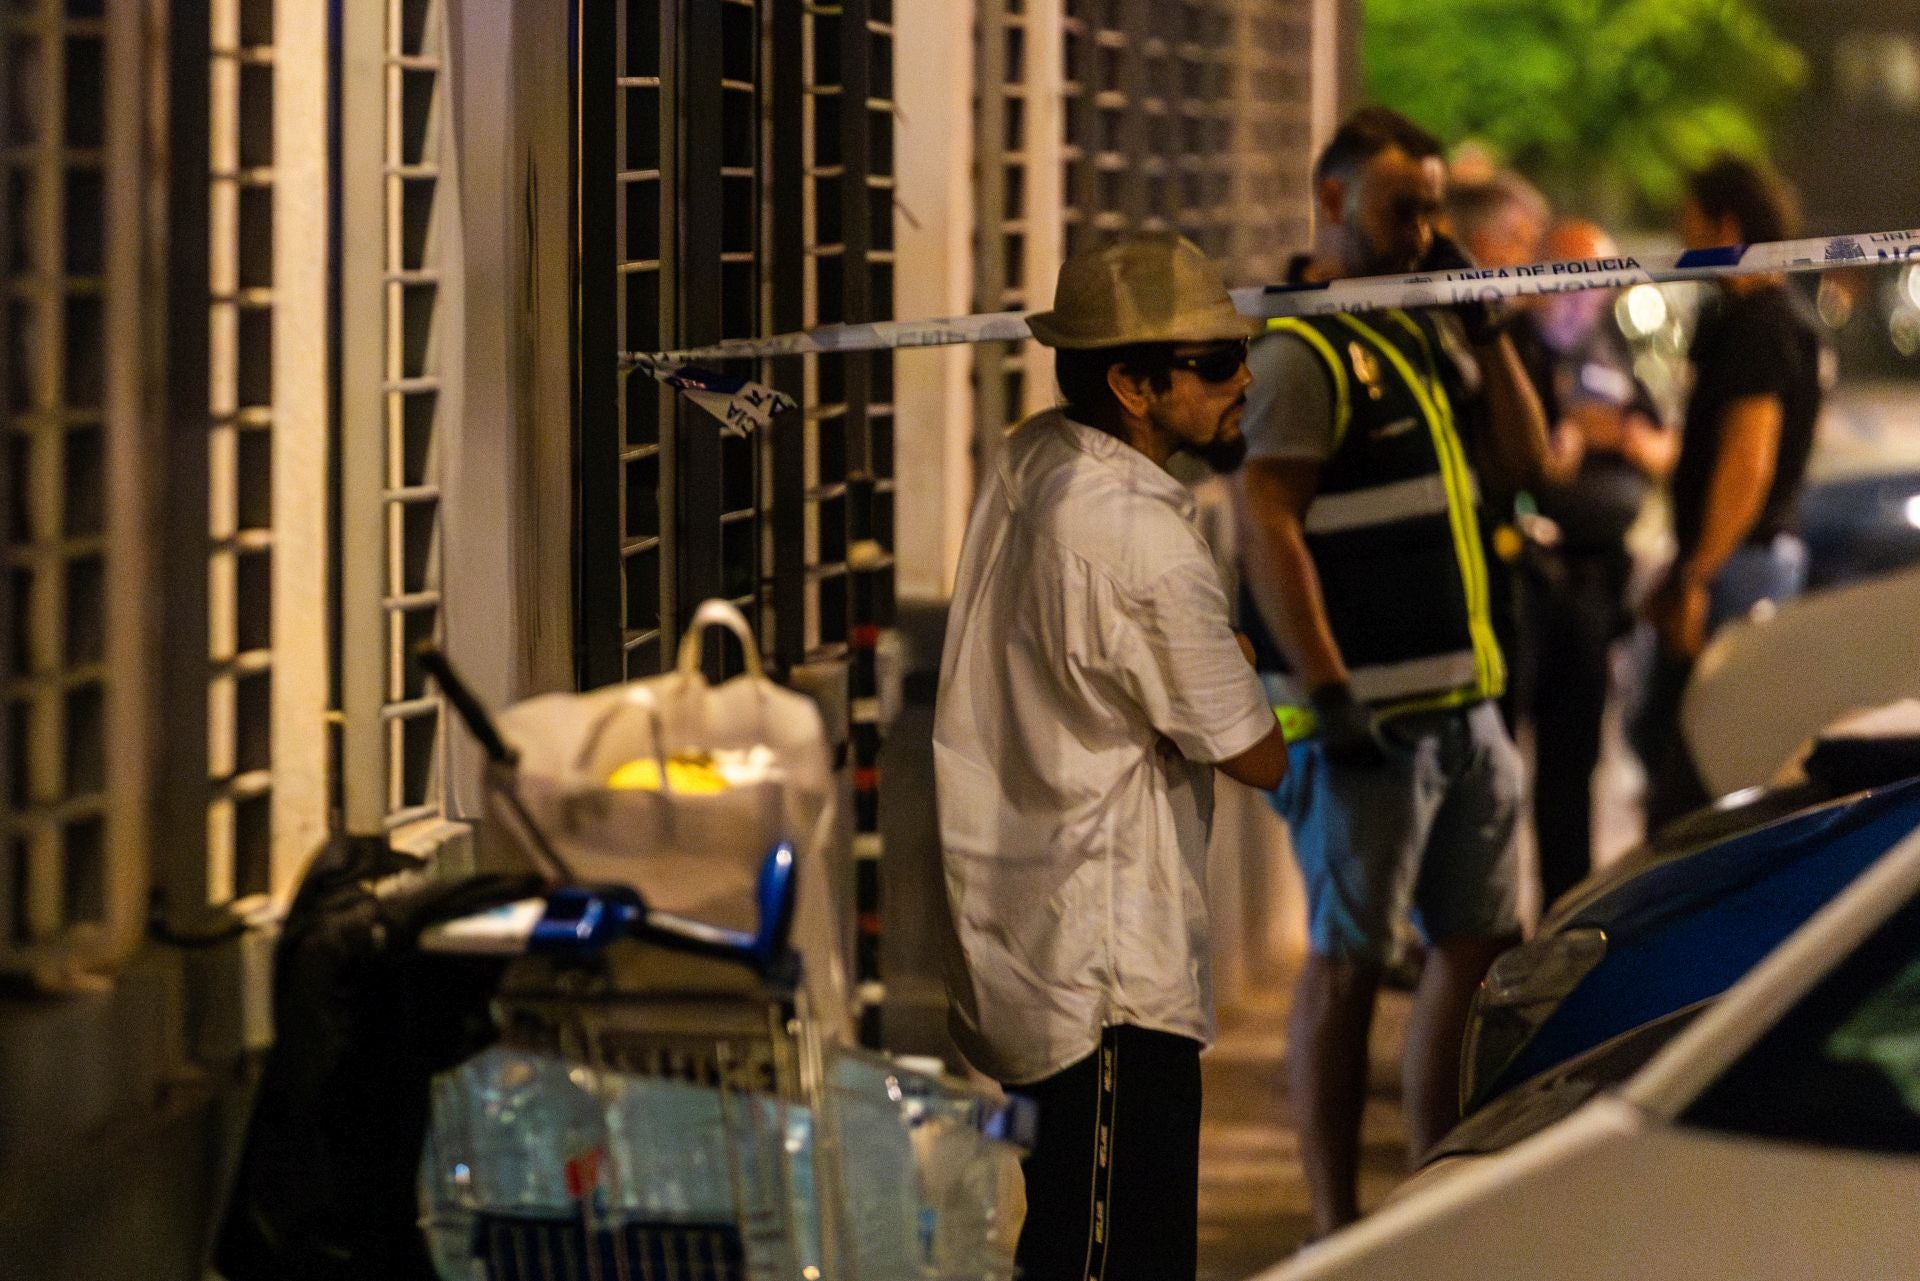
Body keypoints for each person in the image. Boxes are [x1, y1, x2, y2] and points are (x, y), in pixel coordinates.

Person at [934, 232, 1290, 1281]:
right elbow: (1257, 753)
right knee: (1107, 1259)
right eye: (1215, 364)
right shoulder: (1145, 545)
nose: (1242, 383)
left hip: (1039, 939)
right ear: (1134, 384)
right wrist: (1235, 659)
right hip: (1108, 984)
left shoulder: (1035, 457)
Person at [1232, 107, 1551, 1239]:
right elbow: (1264, 518)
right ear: (1330, 201)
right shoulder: (1303, 347)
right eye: (1397, 208)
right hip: (1368, 718)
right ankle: (1331, 1227)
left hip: (1465, 706)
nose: (1420, 231)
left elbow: (1530, 464)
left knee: (1474, 954)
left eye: (1431, 209)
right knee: (1345, 970)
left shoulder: (1422, 326)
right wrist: (1324, 687)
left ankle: (1426, 1205)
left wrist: (1495, 325)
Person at [1641, 157, 1825, 829]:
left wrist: (1697, 575)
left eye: (1691, 227)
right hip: (1740, 557)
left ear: (1726, 225)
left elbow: (1748, 460)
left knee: (1700, 778)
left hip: (1738, 564)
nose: (1684, 247)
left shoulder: (1759, 325)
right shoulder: (1765, 320)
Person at [1514, 219, 1676, 908]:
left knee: (1571, 768)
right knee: (1493, 772)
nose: (1591, 294)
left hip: (1591, 589)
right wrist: (1576, 430)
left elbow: (1662, 446)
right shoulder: (1518, 344)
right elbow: (1530, 458)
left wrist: (1613, 432)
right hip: (1525, 580)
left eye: (1602, 278)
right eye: (1576, 276)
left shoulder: (1610, 347)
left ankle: (1563, 916)